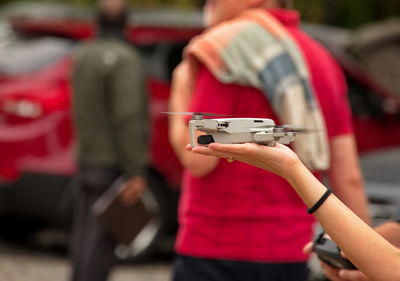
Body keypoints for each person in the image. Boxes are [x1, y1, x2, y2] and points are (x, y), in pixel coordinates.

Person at [168, 0, 370, 280]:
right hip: (291, 251)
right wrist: (367, 259)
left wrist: (179, 89)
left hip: (215, 249)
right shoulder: (322, 60)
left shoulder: (224, 49)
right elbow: (348, 177)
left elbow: (197, 159)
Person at [187, 142, 400, 281]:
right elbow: (349, 178)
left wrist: (292, 170)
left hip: (211, 245)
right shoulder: (326, 76)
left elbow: (393, 272)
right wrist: (356, 245)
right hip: (288, 247)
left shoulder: (201, 75)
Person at [70, 0, 148, 280]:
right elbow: (127, 118)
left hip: (86, 157)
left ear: (97, 22)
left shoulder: (83, 55)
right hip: (112, 163)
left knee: (83, 238)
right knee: (101, 243)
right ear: (127, 24)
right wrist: (135, 170)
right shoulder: (125, 59)